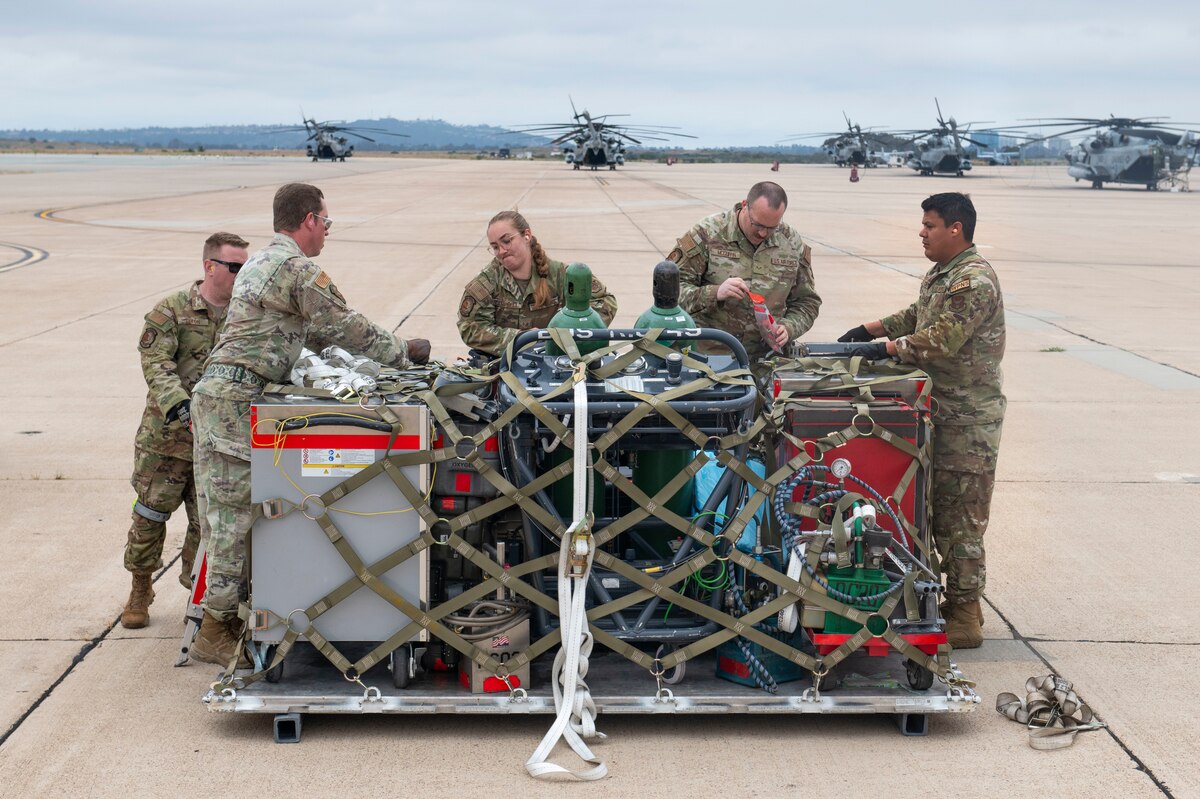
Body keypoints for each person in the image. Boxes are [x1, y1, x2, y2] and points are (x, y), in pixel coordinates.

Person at [189, 182, 432, 666]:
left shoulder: (262, 262)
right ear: (309, 221)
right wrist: (403, 352)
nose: (326, 231)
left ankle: (225, 618)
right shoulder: (296, 269)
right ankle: (215, 629)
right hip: (232, 399)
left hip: (222, 395)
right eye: (326, 222)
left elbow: (316, 332)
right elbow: (345, 324)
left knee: (227, 515)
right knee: (232, 519)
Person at [839, 192, 1005, 649]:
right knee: (932, 511)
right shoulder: (943, 274)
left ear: (955, 228)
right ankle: (952, 603)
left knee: (960, 519)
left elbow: (941, 338)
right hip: (941, 411)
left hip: (967, 422)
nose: (922, 233)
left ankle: (965, 616)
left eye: (930, 225)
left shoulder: (973, 281)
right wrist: (872, 328)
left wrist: (885, 348)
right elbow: (920, 314)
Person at [120, 232, 248, 629]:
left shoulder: (245, 316)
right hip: (166, 440)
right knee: (149, 515)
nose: (241, 275)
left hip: (217, 442)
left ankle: (199, 596)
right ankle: (140, 587)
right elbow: (156, 364)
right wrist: (181, 406)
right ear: (210, 266)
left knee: (207, 524)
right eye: (235, 267)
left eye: (245, 268)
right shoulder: (172, 311)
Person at [667, 181, 821, 362]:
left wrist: (789, 327)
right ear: (745, 206)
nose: (763, 233)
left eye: (772, 227)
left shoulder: (791, 243)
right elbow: (670, 293)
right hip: (711, 358)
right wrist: (714, 293)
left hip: (767, 360)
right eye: (758, 225)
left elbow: (807, 302)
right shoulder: (708, 233)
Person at [457, 210, 617, 356]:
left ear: (526, 235)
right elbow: (470, 327)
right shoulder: (487, 283)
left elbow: (604, 301)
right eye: (495, 247)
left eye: (506, 241)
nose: (502, 251)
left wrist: (570, 332)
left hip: (558, 359)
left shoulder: (560, 275)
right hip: (506, 363)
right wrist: (523, 339)